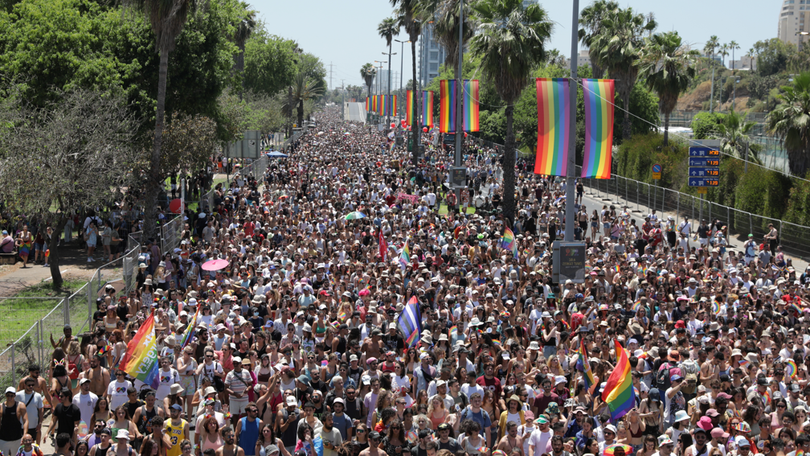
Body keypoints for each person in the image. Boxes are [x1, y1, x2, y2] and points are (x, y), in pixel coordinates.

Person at [0, 387, 28, 456]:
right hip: (3, 438)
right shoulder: (1, 406)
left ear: (15, 396)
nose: (10, 397)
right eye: (8, 395)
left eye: (12, 395)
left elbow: (26, 421)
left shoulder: (20, 406)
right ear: (5, 395)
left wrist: (25, 434)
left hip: (17, 438)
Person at [17, 376, 43, 445]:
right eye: (29, 385)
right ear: (25, 385)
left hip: (34, 425)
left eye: (32, 385)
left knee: (33, 444)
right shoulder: (18, 395)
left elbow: (40, 410)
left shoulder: (38, 396)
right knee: (22, 445)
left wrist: (40, 423)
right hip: (21, 425)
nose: (31, 386)